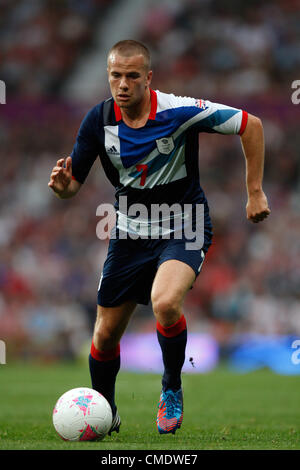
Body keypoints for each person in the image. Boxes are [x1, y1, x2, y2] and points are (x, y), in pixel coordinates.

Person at [48, 39, 270, 435]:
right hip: (129, 233)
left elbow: (250, 124)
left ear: (148, 78)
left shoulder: (179, 111)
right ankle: (105, 411)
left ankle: (171, 387)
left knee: (165, 303)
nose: (123, 84)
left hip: (184, 224)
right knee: (103, 335)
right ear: (108, 76)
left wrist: (254, 191)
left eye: (132, 76)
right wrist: (63, 186)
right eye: (116, 75)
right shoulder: (97, 121)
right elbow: (72, 187)